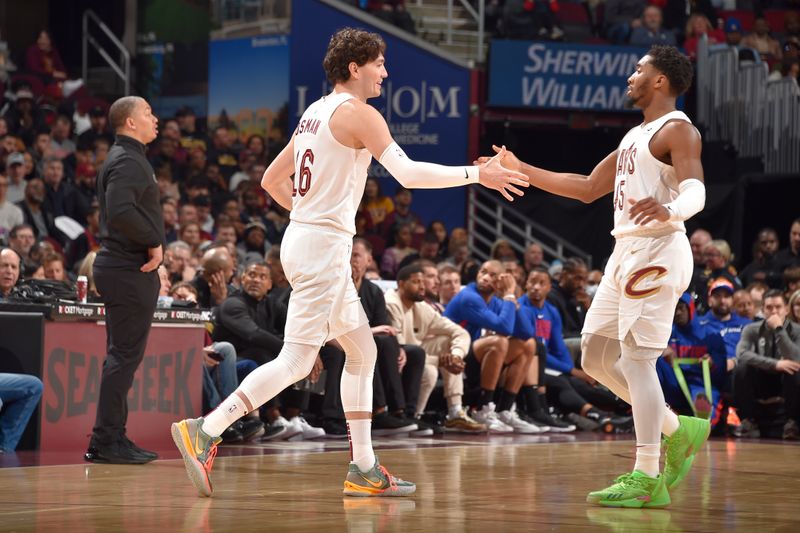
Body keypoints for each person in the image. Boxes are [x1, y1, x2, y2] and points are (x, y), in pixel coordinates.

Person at [171, 27, 526, 498]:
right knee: (297, 359)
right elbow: (409, 174)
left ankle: (363, 468)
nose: (386, 71)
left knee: (363, 352)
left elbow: (271, 181)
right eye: (379, 63)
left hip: (306, 238)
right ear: (355, 67)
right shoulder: (360, 114)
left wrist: (309, 217)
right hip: (320, 245)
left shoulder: (313, 113)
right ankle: (206, 429)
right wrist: (478, 173)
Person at [479, 45, 710, 507]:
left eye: (638, 69)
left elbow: (697, 191)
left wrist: (669, 207)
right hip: (625, 249)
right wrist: (521, 169)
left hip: (659, 248)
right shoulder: (633, 136)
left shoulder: (678, 130)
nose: (630, 76)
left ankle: (647, 474)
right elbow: (586, 188)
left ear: (660, 80)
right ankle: (676, 428)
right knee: (599, 357)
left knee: (638, 360)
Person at [84, 96, 163, 465]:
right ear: (130, 122)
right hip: (127, 269)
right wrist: (154, 241)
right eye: (147, 112)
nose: (154, 118)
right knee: (123, 358)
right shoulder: (129, 160)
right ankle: (106, 441)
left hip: (120, 267)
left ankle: (111, 436)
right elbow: (119, 211)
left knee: (120, 358)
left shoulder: (127, 157)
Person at [734, 290, 800, 440]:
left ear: (786, 309)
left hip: (785, 381)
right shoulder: (751, 329)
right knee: (742, 367)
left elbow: (796, 357)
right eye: (769, 307)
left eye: (778, 307)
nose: (774, 311)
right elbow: (741, 354)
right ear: (762, 310)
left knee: (795, 368)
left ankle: (792, 423)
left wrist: (779, 329)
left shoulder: (797, 330)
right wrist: (775, 364)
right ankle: (748, 421)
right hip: (761, 378)